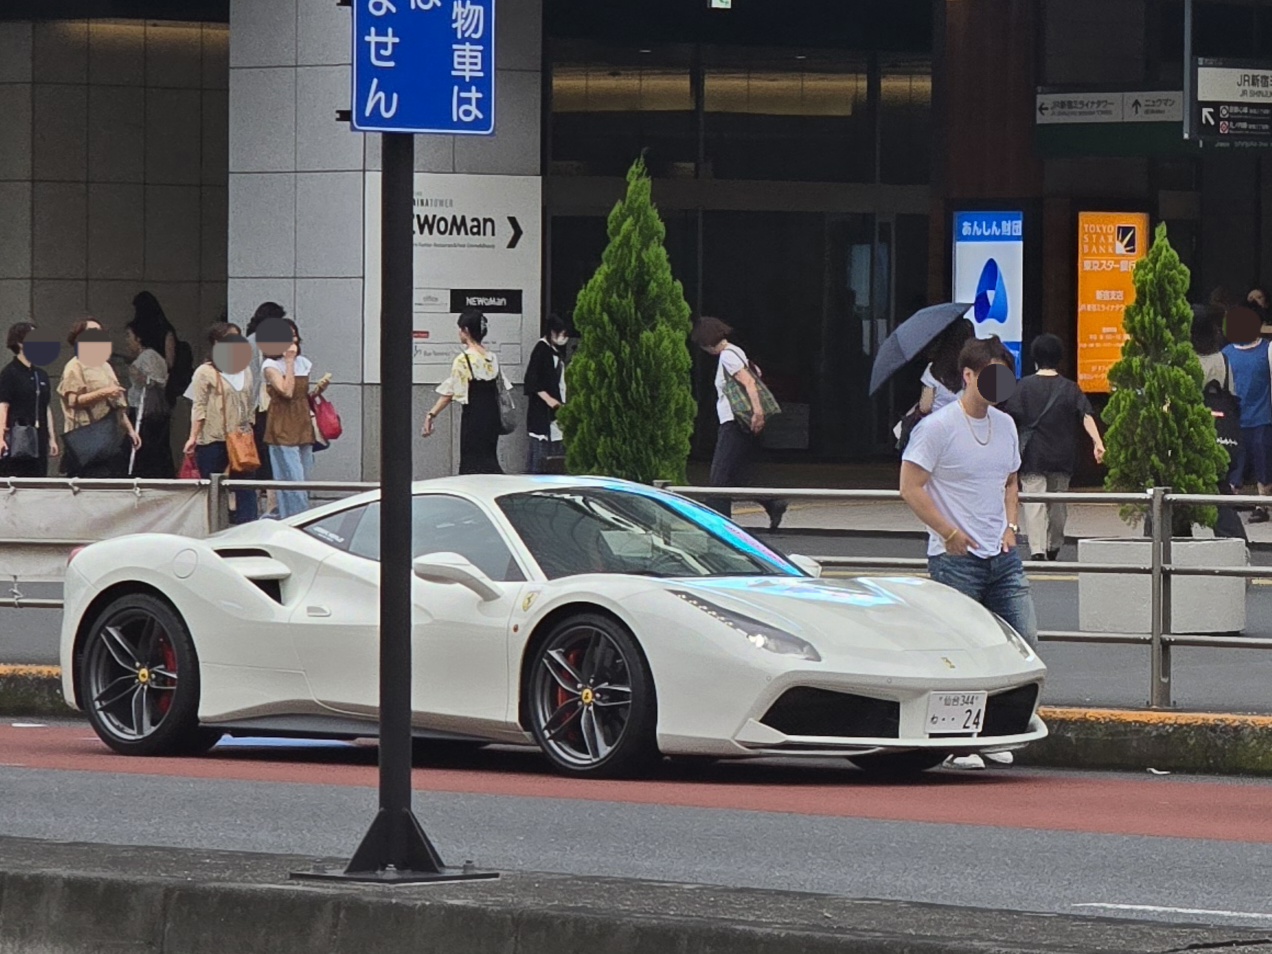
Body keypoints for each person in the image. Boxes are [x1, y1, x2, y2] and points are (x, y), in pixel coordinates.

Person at [900, 335, 1036, 771]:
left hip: (1001, 553)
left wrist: (1011, 526)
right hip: (955, 558)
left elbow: (1011, 481)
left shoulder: (1006, 425)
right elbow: (910, 486)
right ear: (968, 376)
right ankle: (960, 742)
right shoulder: (937, 427)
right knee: (962, 652)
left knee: (1022, 642)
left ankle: (997, 730)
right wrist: (948, 532)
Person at [1002, 334, 1105, 562]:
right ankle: (1054, 544)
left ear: (1035, 358)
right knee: (1058, 505)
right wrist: (1098, 443)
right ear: (1059, 358)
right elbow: (1086, 415)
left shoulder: (1023, 387)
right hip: (1062, 455)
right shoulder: (1070, 388)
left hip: (1033, 455)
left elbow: (1009, 419)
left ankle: (1037, 549)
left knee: (1035, 503)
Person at [689, 316, 787, 530]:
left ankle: (721, 527)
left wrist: (757, 413)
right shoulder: (736, 351)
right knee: (734, 475)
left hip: (733, 422)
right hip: (737, 423)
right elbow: (757, 372)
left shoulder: (727, 356)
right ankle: (772, 503)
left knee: (719, 478)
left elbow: (750, 381)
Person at [184, 322, 258, 524]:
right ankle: (216, 530)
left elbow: (250, 402)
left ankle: (247, 530)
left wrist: (248, 427)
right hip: (212, 439)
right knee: (214, 490)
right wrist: (193, 437)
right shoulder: (204, 372)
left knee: (246, 490)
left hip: (240, 438)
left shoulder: (246, 370)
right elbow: (198, 406)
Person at [422, 310, 511, 475]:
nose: (459, 333)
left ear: (467, 331)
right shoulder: (492, 357)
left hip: (474, 416)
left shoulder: (463, 360)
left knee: (472, 461)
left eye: (461, 329)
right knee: (489, 457)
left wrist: (431, 414)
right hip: (492, 416)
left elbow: (451, 392)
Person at [262, 319, 329, 518]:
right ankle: (298, 518)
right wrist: (289, 362)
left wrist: (319, 390)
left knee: (304, 477)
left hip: (302, 420)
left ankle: (289, 516)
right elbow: (286, 391)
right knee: (291, 477)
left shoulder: (304, 362)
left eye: (294, 335)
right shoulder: (271, 365)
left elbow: (300, 395)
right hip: (282, 423)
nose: (293, 340)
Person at [58, 319, 141, 478]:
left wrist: (130, 431)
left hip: (106, 435)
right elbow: (73, 401)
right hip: (84, 436)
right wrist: (104, 392)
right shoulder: (74, 366)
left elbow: (117, 404)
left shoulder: (105, 366)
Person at [1221, 305, 1272, 523]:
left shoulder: (1268, 350)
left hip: (1263, 417)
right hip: (1235, 418)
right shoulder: (1226, 353)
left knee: (1264, 461)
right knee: (1233, 461)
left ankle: (1263, 504)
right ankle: (1232, 501)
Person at [0, 323, 60, 477]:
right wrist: (1, 438)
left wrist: (52, 438)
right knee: (17, 477)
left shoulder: (41, 374)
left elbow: (46, 407)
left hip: (39, 437)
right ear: (20, 343)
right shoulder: (9, 373)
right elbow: (3, 407)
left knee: (38, 478)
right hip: (17, 436)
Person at [123, 317, 173, 478]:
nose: (127, 340)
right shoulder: (146, 356)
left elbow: (158, 381)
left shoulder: (150, 356)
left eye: (129, 336)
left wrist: (141, 376)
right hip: (141, 409)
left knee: (143, 446)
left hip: (145, 411)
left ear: (139, 338)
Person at [524, 315, 569, 474]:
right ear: (551, 332)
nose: (564, 338)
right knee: (541, 453)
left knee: (555, 451)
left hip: (556, 411)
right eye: (561, 333)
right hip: (543, 412)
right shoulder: (541, 349)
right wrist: (550, 400)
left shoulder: (555, 351)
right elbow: (531, 381)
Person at [920, 318, 975, 415]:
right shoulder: (974, 370)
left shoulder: (934, 369)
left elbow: (925, 407)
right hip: (963, 424)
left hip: (937, 425)